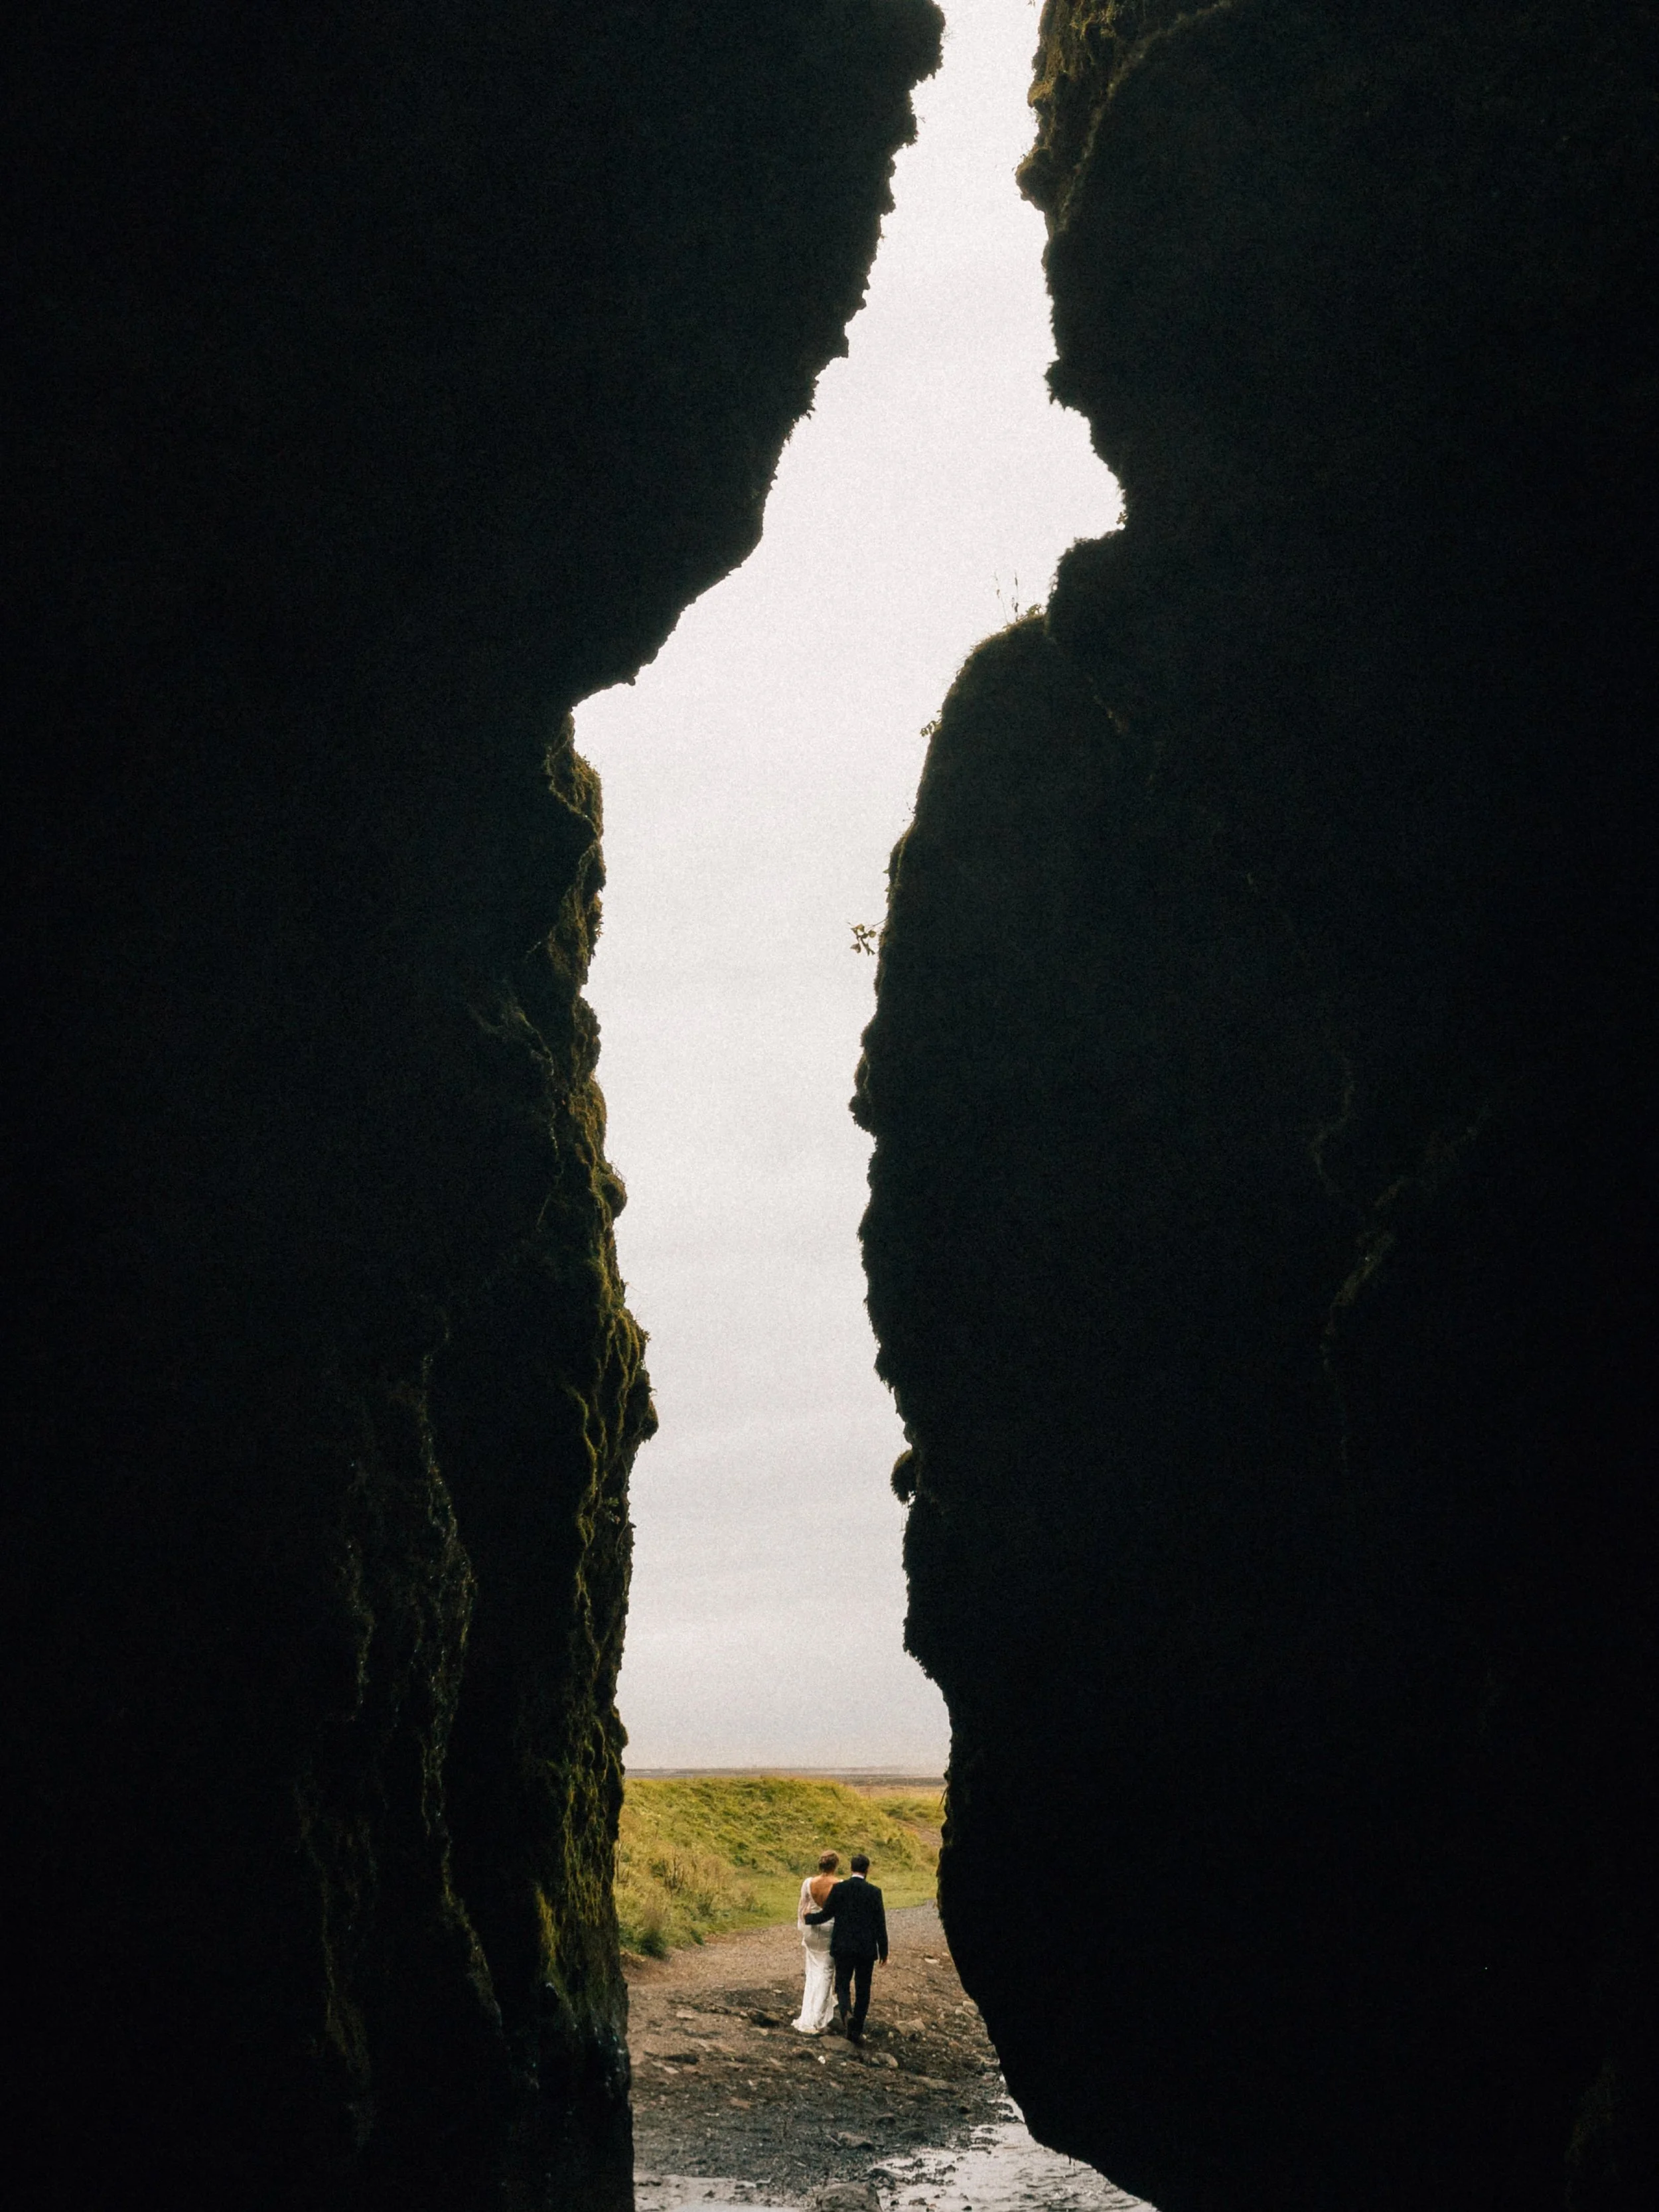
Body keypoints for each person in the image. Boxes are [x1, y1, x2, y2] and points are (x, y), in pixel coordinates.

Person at [804, 1851, 887, 2046]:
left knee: (842, 1985)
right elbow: (879, 1924)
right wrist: (884, 1951)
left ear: (851, 1869)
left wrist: (808, 1918)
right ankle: (856, 2029)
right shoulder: (875, 1892)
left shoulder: (840, 1889)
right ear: (867, 1870)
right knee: (863, 1989)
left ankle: (846, 2014)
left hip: (843, 1947)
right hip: (866, 1950)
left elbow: (826, 1914)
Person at [792, 1851, 841, 2033]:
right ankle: (818, 2020)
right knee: (827, 1972)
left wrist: (804, 1926)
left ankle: (810, 2012)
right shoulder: (839, 1885)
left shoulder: (808, 1883)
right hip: (830, 1931)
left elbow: (802, 1907)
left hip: (812, 1930)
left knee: (813, 1972)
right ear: (835, 1866)